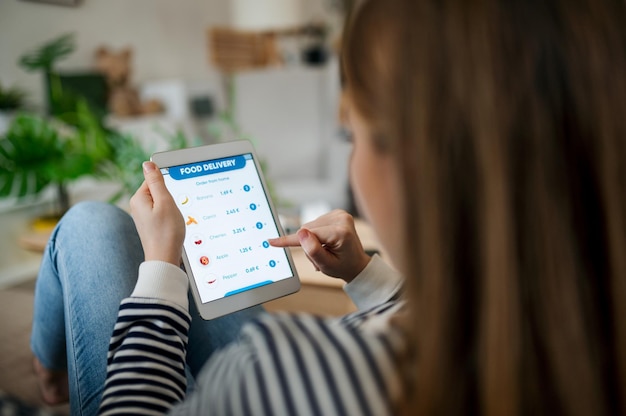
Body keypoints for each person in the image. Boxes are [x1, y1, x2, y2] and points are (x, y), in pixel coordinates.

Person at [31, 0, 626, 414]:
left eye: (355, 133)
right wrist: (369, 277)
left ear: (416, 168)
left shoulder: (283, 373)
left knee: (90, 225)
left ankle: (49, 368)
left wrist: (161, 269)